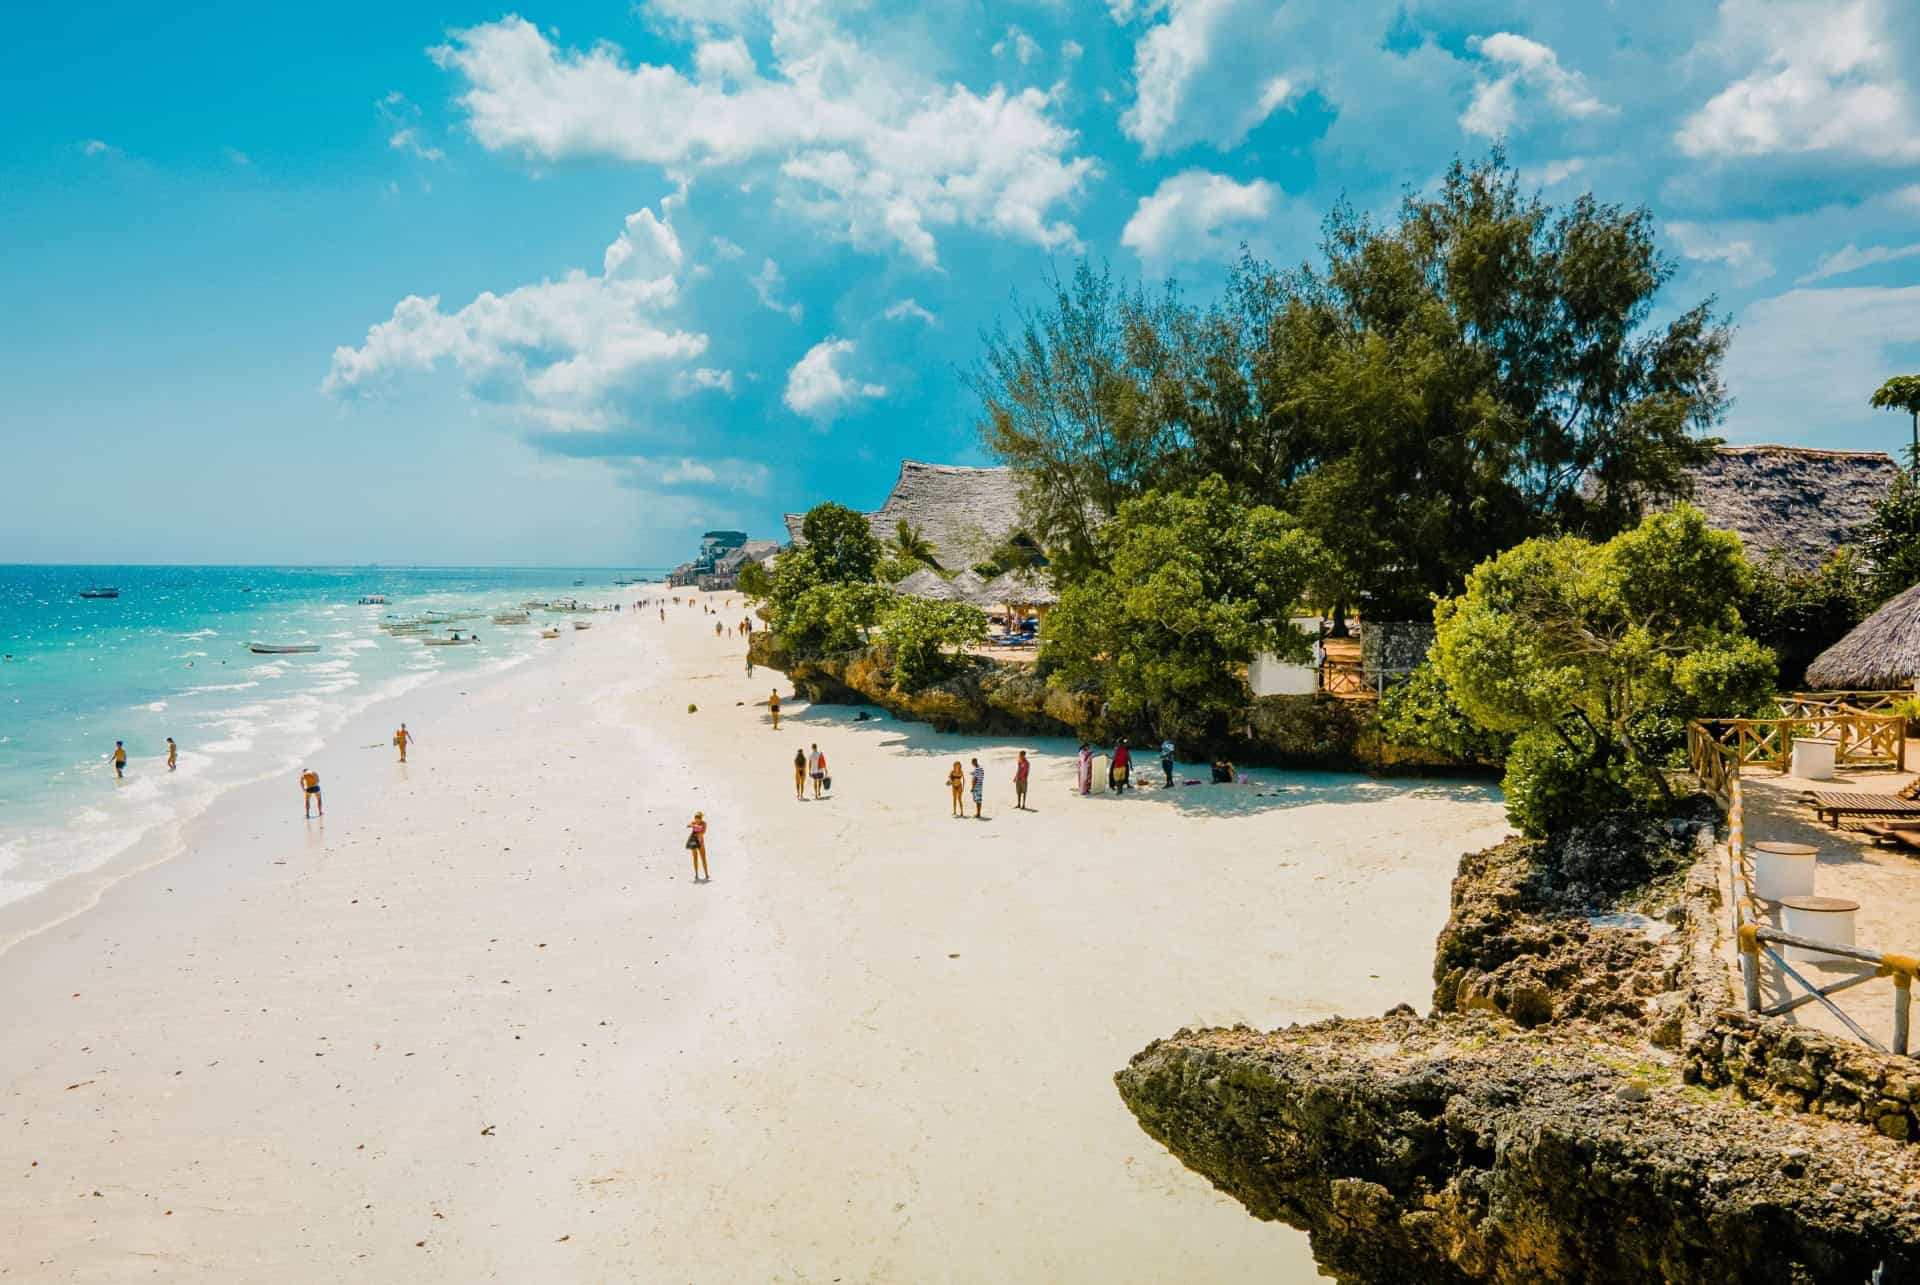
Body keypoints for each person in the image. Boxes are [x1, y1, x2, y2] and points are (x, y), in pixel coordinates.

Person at [686, 811, 709, 882]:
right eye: (696, 817)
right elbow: (688, 825)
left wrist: (696, 827)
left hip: (700, 842)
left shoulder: (704, 823)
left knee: (703, 858)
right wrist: (693, 825)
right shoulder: (694, 822)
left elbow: (703, 832)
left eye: (699, 817)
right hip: (693, 840)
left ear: (701, 818)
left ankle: (706, 874)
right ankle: (696, 874)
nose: (697, 819)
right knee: (695, 858)